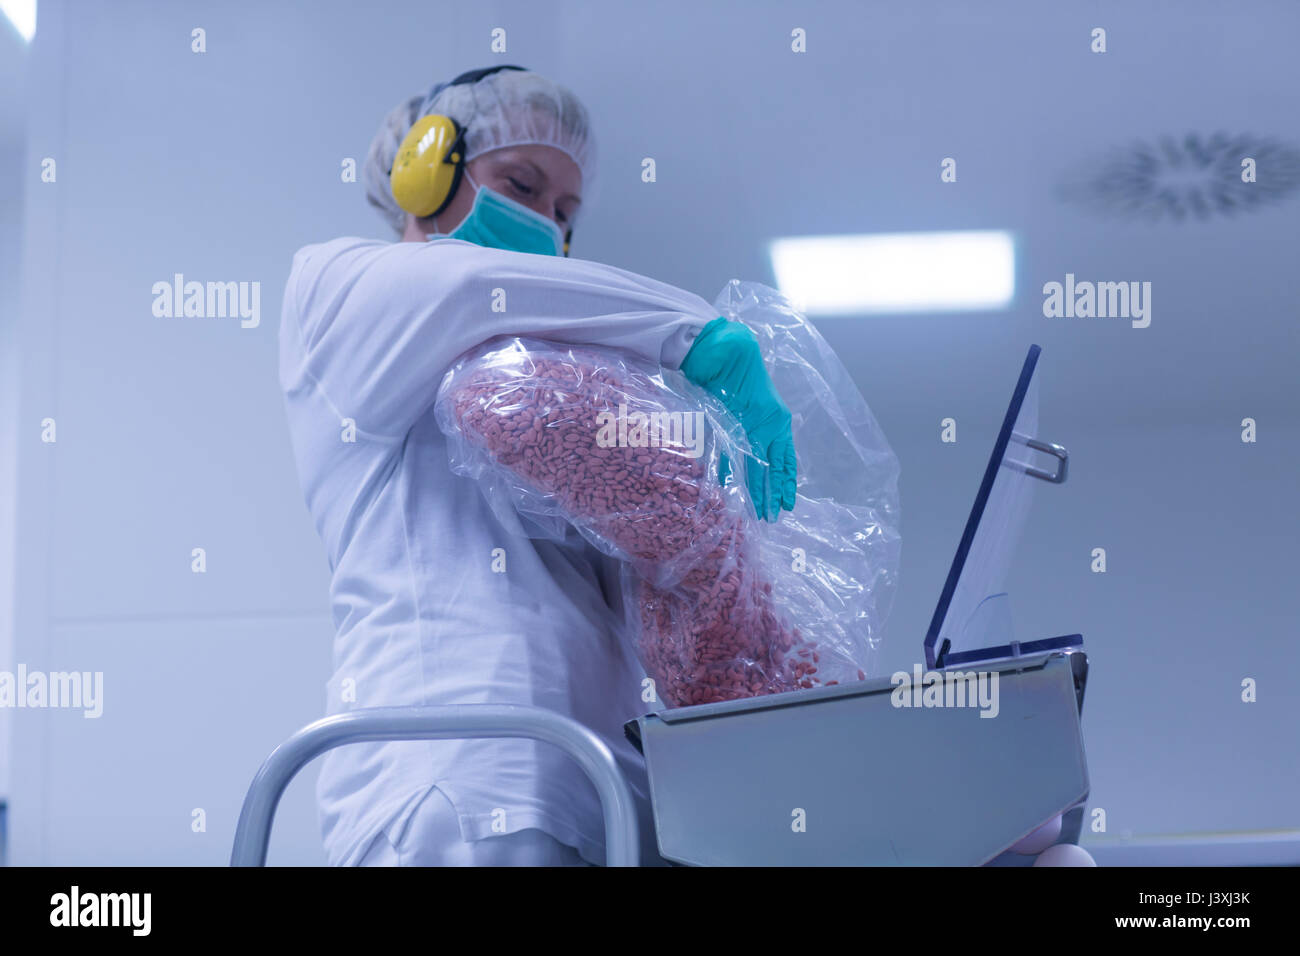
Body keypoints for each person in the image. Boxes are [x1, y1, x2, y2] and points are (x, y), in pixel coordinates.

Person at [278, 65, 795, 867]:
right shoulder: (339, 293)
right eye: (520, 184)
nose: (545, 224)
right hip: (454, 780)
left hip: (596, 794)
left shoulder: (549, 379)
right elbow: (469, 286)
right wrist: (697, 334)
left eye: (565, 212)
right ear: (427, 168)